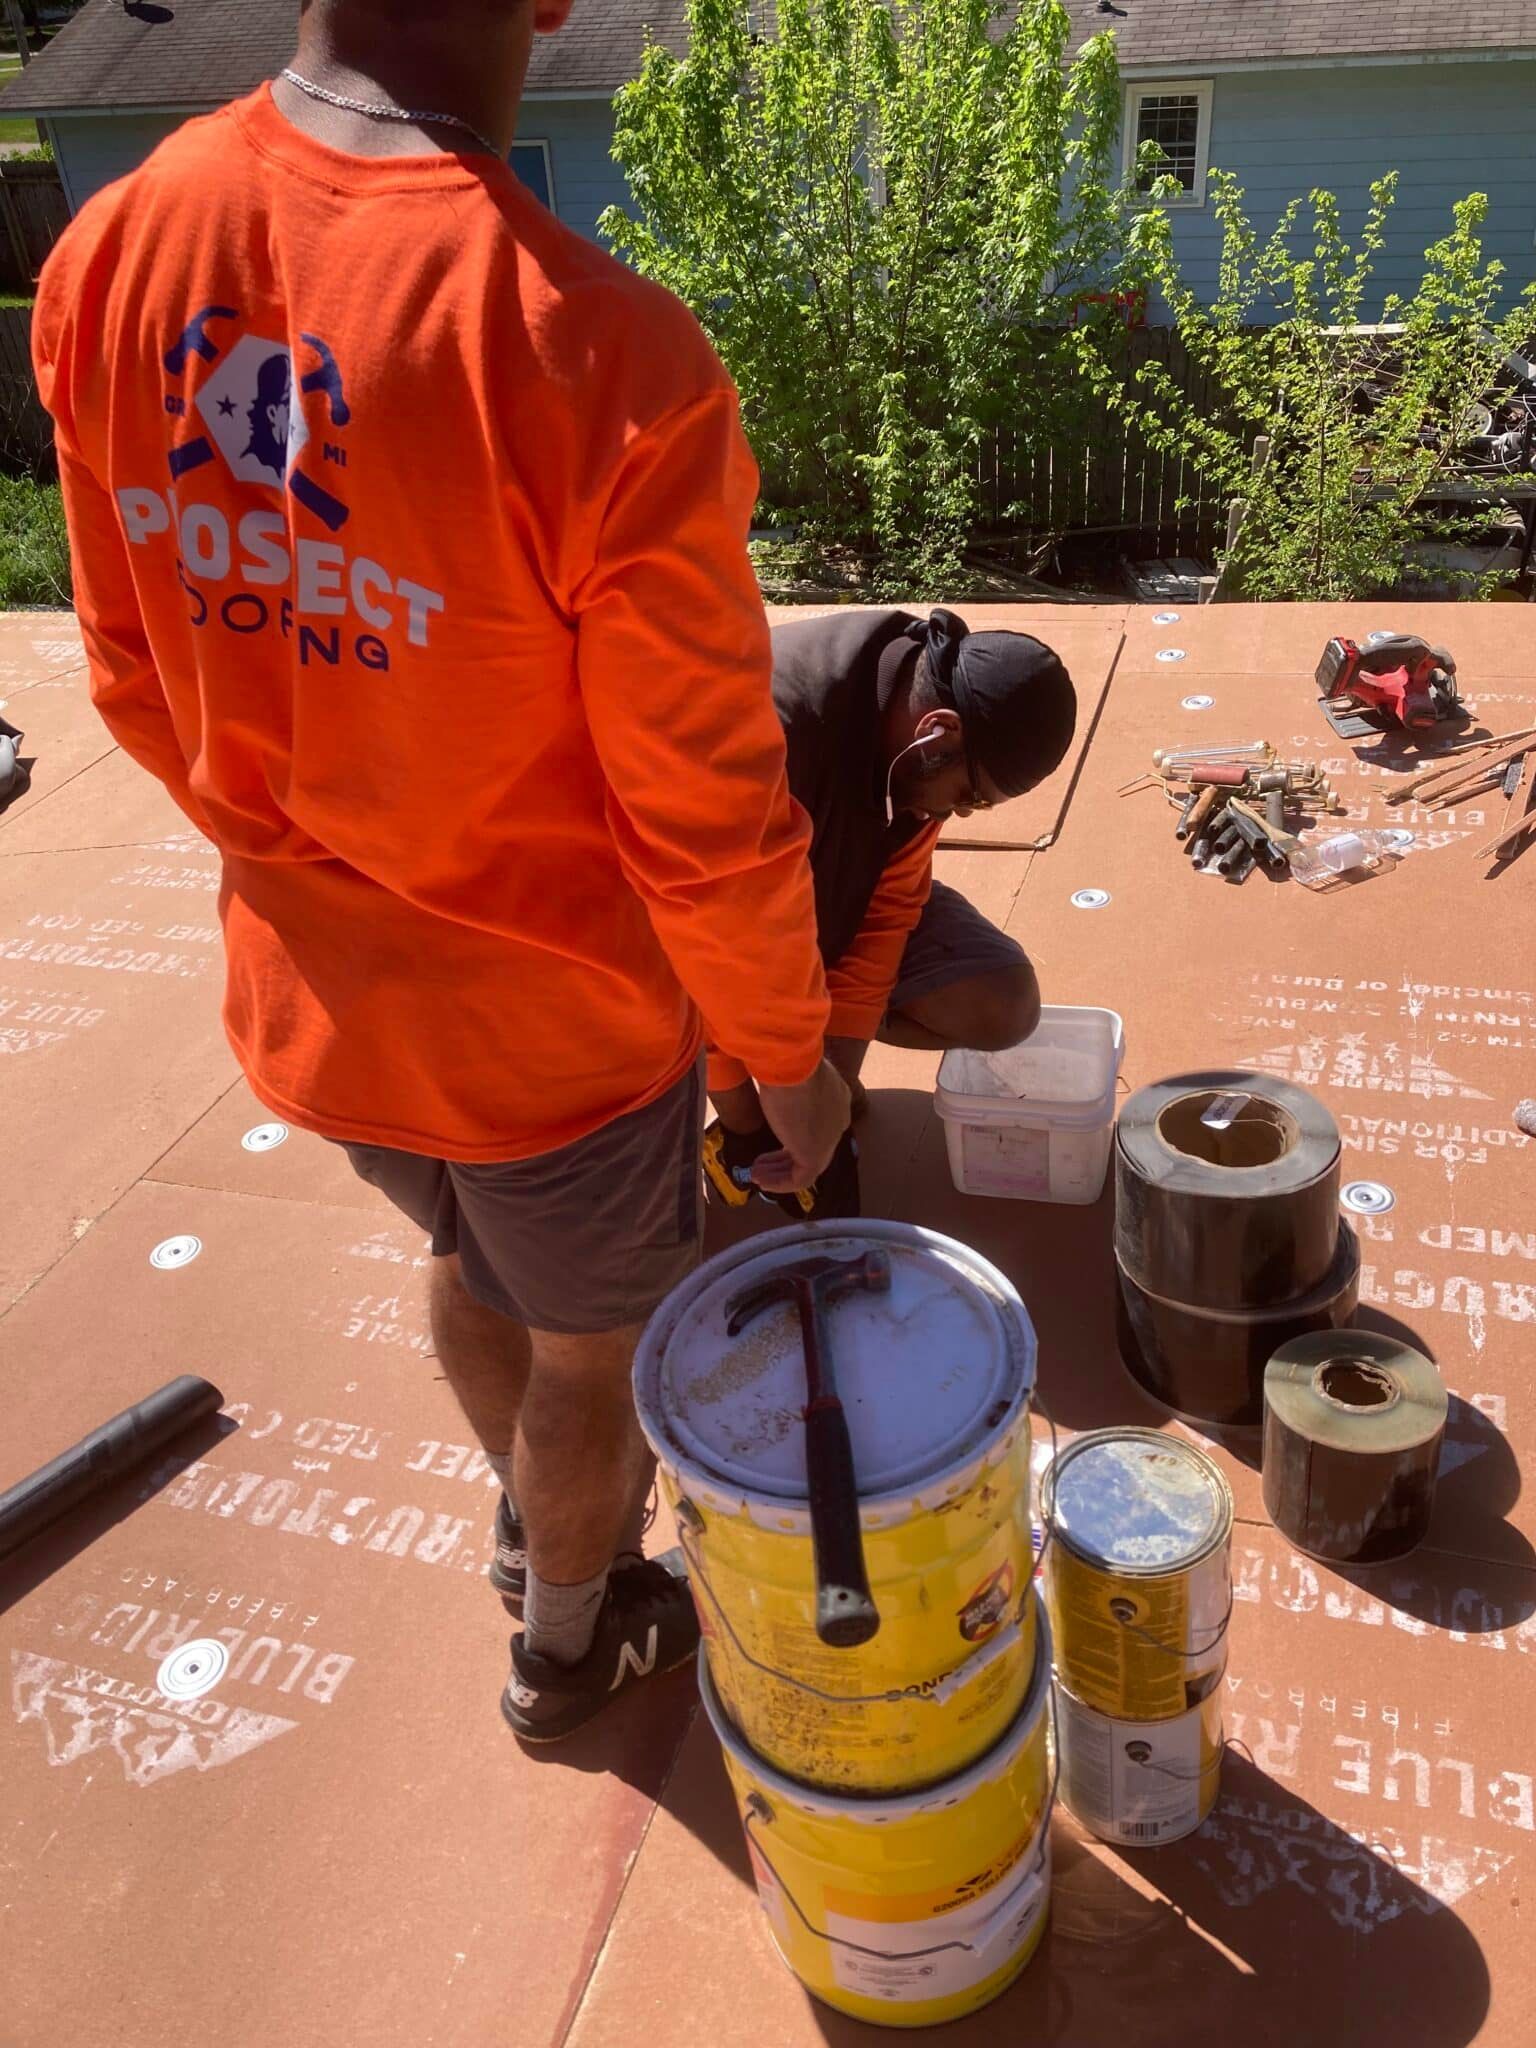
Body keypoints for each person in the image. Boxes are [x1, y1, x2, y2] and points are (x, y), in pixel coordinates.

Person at [31, 0, 849, 1742]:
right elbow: (702, 809)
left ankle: (525, 1528)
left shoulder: (118, 240)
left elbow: (126, 664)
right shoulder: (596, 356)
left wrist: (306, 864)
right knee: (589, 1357)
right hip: (549, 1050)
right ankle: (571, 1636)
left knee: (479, 1264)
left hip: (319, 1015)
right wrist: (786, 1055)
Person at [706, 607, 1076, 1215]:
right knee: (690, 1044)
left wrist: (835, 1083)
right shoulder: (763, 734)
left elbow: (885, 913)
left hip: (813, 898)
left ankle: (799, 1063)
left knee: (1003, 1003)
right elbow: (700, 952)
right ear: (939, 729)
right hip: (678, 928)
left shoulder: (914, 752)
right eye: (969, 796)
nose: (958, 815)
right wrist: (747, 1123)